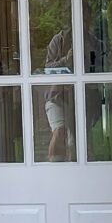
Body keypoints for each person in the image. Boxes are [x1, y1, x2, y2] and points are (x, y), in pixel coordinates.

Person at [43, 26, 73, 161]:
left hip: (82, 96)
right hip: (56, 96)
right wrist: (66, 60)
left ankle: (75, 171)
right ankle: (54, 169)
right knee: (59, 131)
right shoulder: (57, 40)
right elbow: (47, 68)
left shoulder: (90, 39)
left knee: (78, 139)